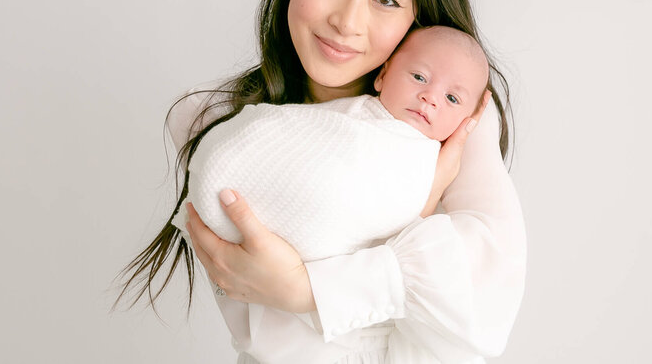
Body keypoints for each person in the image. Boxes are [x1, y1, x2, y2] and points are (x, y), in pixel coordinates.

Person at [115, 0, 526, 364]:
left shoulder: (447, 127)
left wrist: (305, 291)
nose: (348, 22)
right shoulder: (216, 122)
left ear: (418, 16)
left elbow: (485, 301)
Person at [175, 25, 491, 265]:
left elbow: (400, 234)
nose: (430, 97)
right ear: (382, 76)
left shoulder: (432, 161)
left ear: (469, 118)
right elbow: (300, 131)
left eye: (452, 98)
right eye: (420, 77)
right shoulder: (352, 113)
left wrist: (433, 187)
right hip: (238, 206)